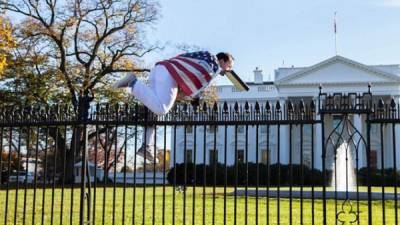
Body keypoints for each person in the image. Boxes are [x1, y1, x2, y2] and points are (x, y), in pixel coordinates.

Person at [113, 51, 234, 163]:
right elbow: (192, 90)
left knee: (153, 108)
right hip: (168, 74)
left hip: (158, 69)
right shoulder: (213, 66)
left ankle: (147, 146)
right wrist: (195, 98)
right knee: (162, 109)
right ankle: (133, 82)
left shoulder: (201, 59)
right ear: (222, 61)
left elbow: (181, 93)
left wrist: (184, 97)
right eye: (229, 66)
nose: (229, 70)